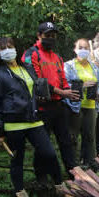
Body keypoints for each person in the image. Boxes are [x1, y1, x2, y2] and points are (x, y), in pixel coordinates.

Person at [0, 37, 62, 197]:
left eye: (10, 46)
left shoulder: (26, 68)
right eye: (2, 48)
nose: (7, 50)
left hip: (34, 120)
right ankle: (21, 196)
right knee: (17, 160)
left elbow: (34, 90)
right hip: (13, 125)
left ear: (15, 48)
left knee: (49, 154)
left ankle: (60, 187)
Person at [22, 22, 79, 180]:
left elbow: (62, 78)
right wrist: (61, 91)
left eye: (53, 36)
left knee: (66, 141)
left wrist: (69, 92)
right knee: (43, 143)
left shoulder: (57, 57)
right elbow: (36, 80)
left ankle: (73, 173)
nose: (51, 39)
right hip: (41, 106)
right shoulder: (31, 54)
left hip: (59, 105)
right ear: (39, 36)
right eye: (47, 35)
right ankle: (41, 177)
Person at [64, 38, 99, 169]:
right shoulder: (69, 66)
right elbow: (65, 85)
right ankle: (73, 166)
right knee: (73, 136)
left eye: (86, 47)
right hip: (74, 105)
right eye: (80, 47)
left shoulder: (94, 67)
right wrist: (82, 86)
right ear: (75, 49)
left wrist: (97, 92)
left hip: (90, 105)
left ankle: (90, 163)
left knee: (90, 136)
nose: (83, 50)